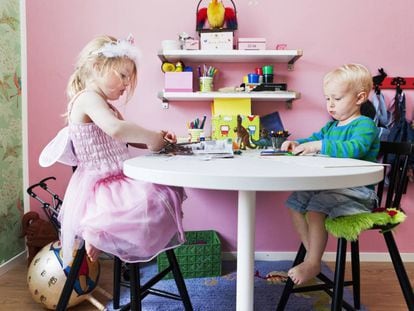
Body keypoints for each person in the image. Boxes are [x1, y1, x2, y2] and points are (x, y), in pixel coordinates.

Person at [39, 34, 186, 266]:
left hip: (119, 178)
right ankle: (96, 231)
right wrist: (150, 139)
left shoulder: (105, 106)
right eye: (122, 75)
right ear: (97, 67)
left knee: (164, 191)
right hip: (102, 186)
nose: (127, 84)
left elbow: (123, 138)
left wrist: (154, 138)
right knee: (150, 198)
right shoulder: (88, 99)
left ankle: (103, 233)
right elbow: (116, 129)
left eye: (129, 78)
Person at [280, 64, 380, 285]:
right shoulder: (331, 126)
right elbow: (314, 139)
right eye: (327, 99)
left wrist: (318, 146)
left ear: (359, 98)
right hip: (334, 188)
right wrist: (298, 143)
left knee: (315, 210)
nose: (330, 104)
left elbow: (355, 148)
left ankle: (313, 261)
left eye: (337, 98)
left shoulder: (364, 125)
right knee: (295, 202)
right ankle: (312, 257)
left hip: (359, 192)